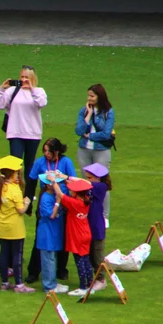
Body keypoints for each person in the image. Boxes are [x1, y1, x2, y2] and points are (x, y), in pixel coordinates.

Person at [0, 66, 47, 207]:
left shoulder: (39, 91)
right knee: (15, 164)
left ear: (32, 79)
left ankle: (29, 195)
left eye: (27, 77)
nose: (23, 80)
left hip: (33, 133)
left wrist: (32, 89)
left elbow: (41, 103)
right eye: (22, 77)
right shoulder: (12, 91)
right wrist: (2, 88)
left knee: (30, 165)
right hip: (15, 132)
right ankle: (15, 191)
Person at [25, 139, 75, 285]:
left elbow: (72, 181)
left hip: (63, 201)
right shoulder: (40, 162)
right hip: (46, 199)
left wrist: (63, 181)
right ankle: (34, 271)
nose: (46, 154)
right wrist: (28, 204)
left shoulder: (66, 162)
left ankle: (61, 269)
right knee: (41, 235)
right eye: (45, 151)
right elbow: (31, 183)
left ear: (57, 151)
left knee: (62, 237)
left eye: (49, 151)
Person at [0, 156, 34, 293]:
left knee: (4, 253)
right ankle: (19, 285)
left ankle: (4, 282)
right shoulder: (14, 189)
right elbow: (21, 210)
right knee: (17, 255)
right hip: (15, 227)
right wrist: (27, 201)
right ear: (12, 173)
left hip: (2, 226)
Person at [75, 84, 115, 219]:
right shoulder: (84, 110)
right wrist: (88, 116)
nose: (89, 98)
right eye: (88, 96)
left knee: (102, 183)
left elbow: (106, 134)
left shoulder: (108, 112)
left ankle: (104, 216)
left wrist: (90, 136)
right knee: (86, 182)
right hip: (84, 150)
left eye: (92, 96)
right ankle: (87, 212)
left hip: (101, 151)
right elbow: (79, 131)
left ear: (99, 97)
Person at [51, 178, 95, 297]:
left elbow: (60, 194)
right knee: (86, 260)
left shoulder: (74, 203)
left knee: (79, 261)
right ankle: (90, 285)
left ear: (76, 193)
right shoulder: (86, 200)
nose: (70, 191)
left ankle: (82, 287)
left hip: (77, 236)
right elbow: (73, 190)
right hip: (86, 233)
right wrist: (65, 181)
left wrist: (53, 181)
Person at [34, 173, 68, 295]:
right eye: (55, 183)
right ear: (48, 186)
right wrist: (58, 202)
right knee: (49, 259)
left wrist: (61, 176)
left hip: (53, 233)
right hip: (47, 234)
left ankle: (52, 282)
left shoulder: (52, 194)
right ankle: (49, 286)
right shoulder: (46, 198)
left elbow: (68, 184)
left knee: (52, 258)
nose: (58, 185)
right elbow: (52, 215)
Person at [83, 163, 111, 291]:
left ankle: (101, 279)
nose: (88, 180)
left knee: (97, 254)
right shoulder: (91, 186)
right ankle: (93, 279)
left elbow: (84, 184)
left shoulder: (101, 187)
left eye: (90, 177)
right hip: (87, 225)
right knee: (89, 254)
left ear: (97, 178)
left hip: (97, 226)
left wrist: (67, 177)